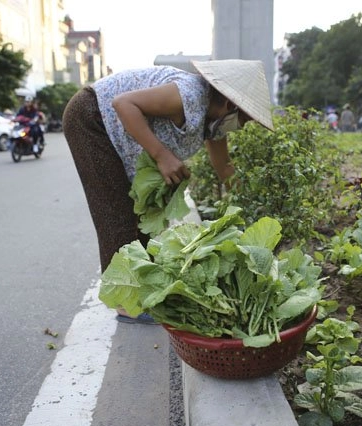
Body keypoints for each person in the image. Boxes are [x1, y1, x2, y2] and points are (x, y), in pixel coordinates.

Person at [62, 59, 274, 324]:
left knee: (143, 211)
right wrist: (163, 156)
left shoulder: (214, 124)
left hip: (110, 127)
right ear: (231, 106)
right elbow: (123, 104)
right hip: (90, 118)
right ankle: (126, 302)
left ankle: (140, 285)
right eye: (246, 120)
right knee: (116, 210)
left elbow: (224, 169)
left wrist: (249, 208)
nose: (244, 126)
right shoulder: (191, 94)